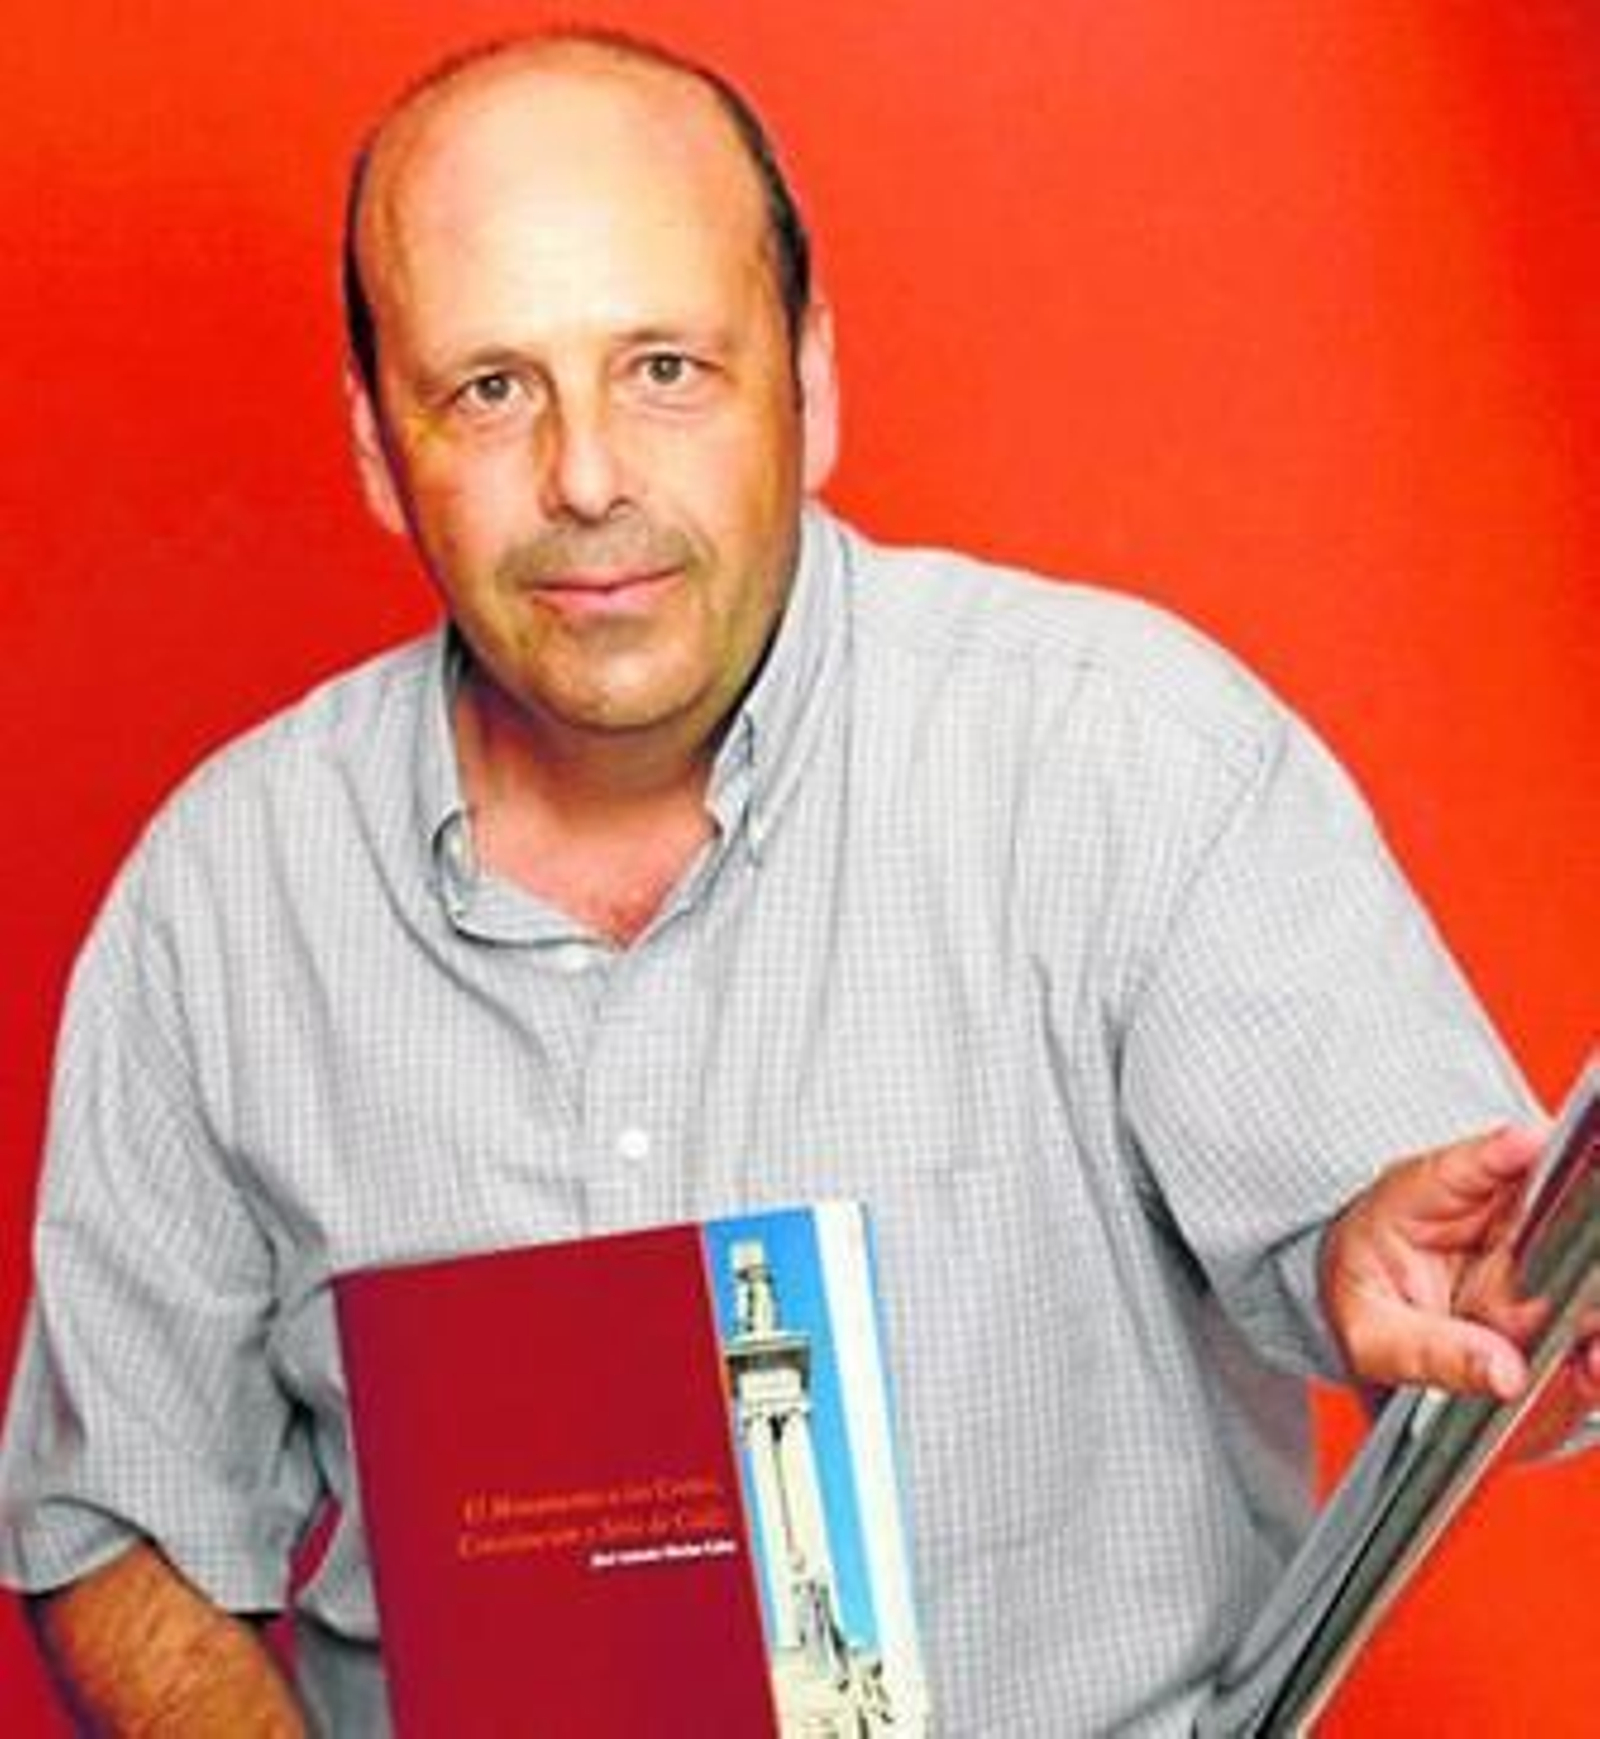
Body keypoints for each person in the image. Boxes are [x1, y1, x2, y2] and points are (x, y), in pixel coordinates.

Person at [0, 29, 1590, 1735]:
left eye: (666, 367)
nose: (589, 476)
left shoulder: (1130, 760)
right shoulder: (221, 906)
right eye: (491, 389)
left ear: (812, 386)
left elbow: (1487, 1319)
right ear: (383, 453)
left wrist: (1430, 1278)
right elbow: (115, 1522)